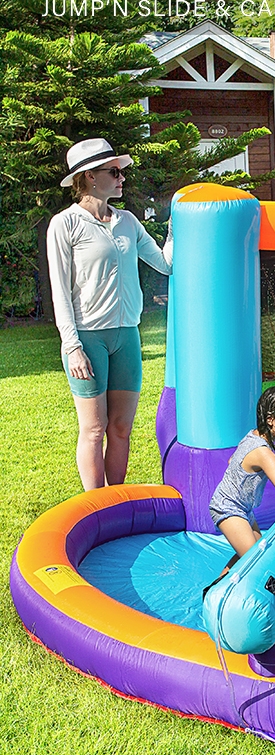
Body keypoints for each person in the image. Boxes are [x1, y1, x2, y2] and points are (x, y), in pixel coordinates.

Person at [48, 138, 172, 491]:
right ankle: (96, 505)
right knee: (93, 429)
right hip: (87, 338)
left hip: (127, 335)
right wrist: (72, 347)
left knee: (120, 428)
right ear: (89, 176)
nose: (122, 178)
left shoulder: (127, 221)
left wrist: (177, 226)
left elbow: (165, 264)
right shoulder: (65, 224)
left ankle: (116, 502)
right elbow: (60, 290)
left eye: (121, 172)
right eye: (114, 172)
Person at [207, 386, 275, 580]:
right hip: (228, 507)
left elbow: (232, 460)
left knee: (255, 553)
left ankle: (214, 589)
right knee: (257, 562)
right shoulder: (263, 453)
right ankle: (218, 593)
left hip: (243, 508)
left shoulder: (254, 435)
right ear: (270, 419)